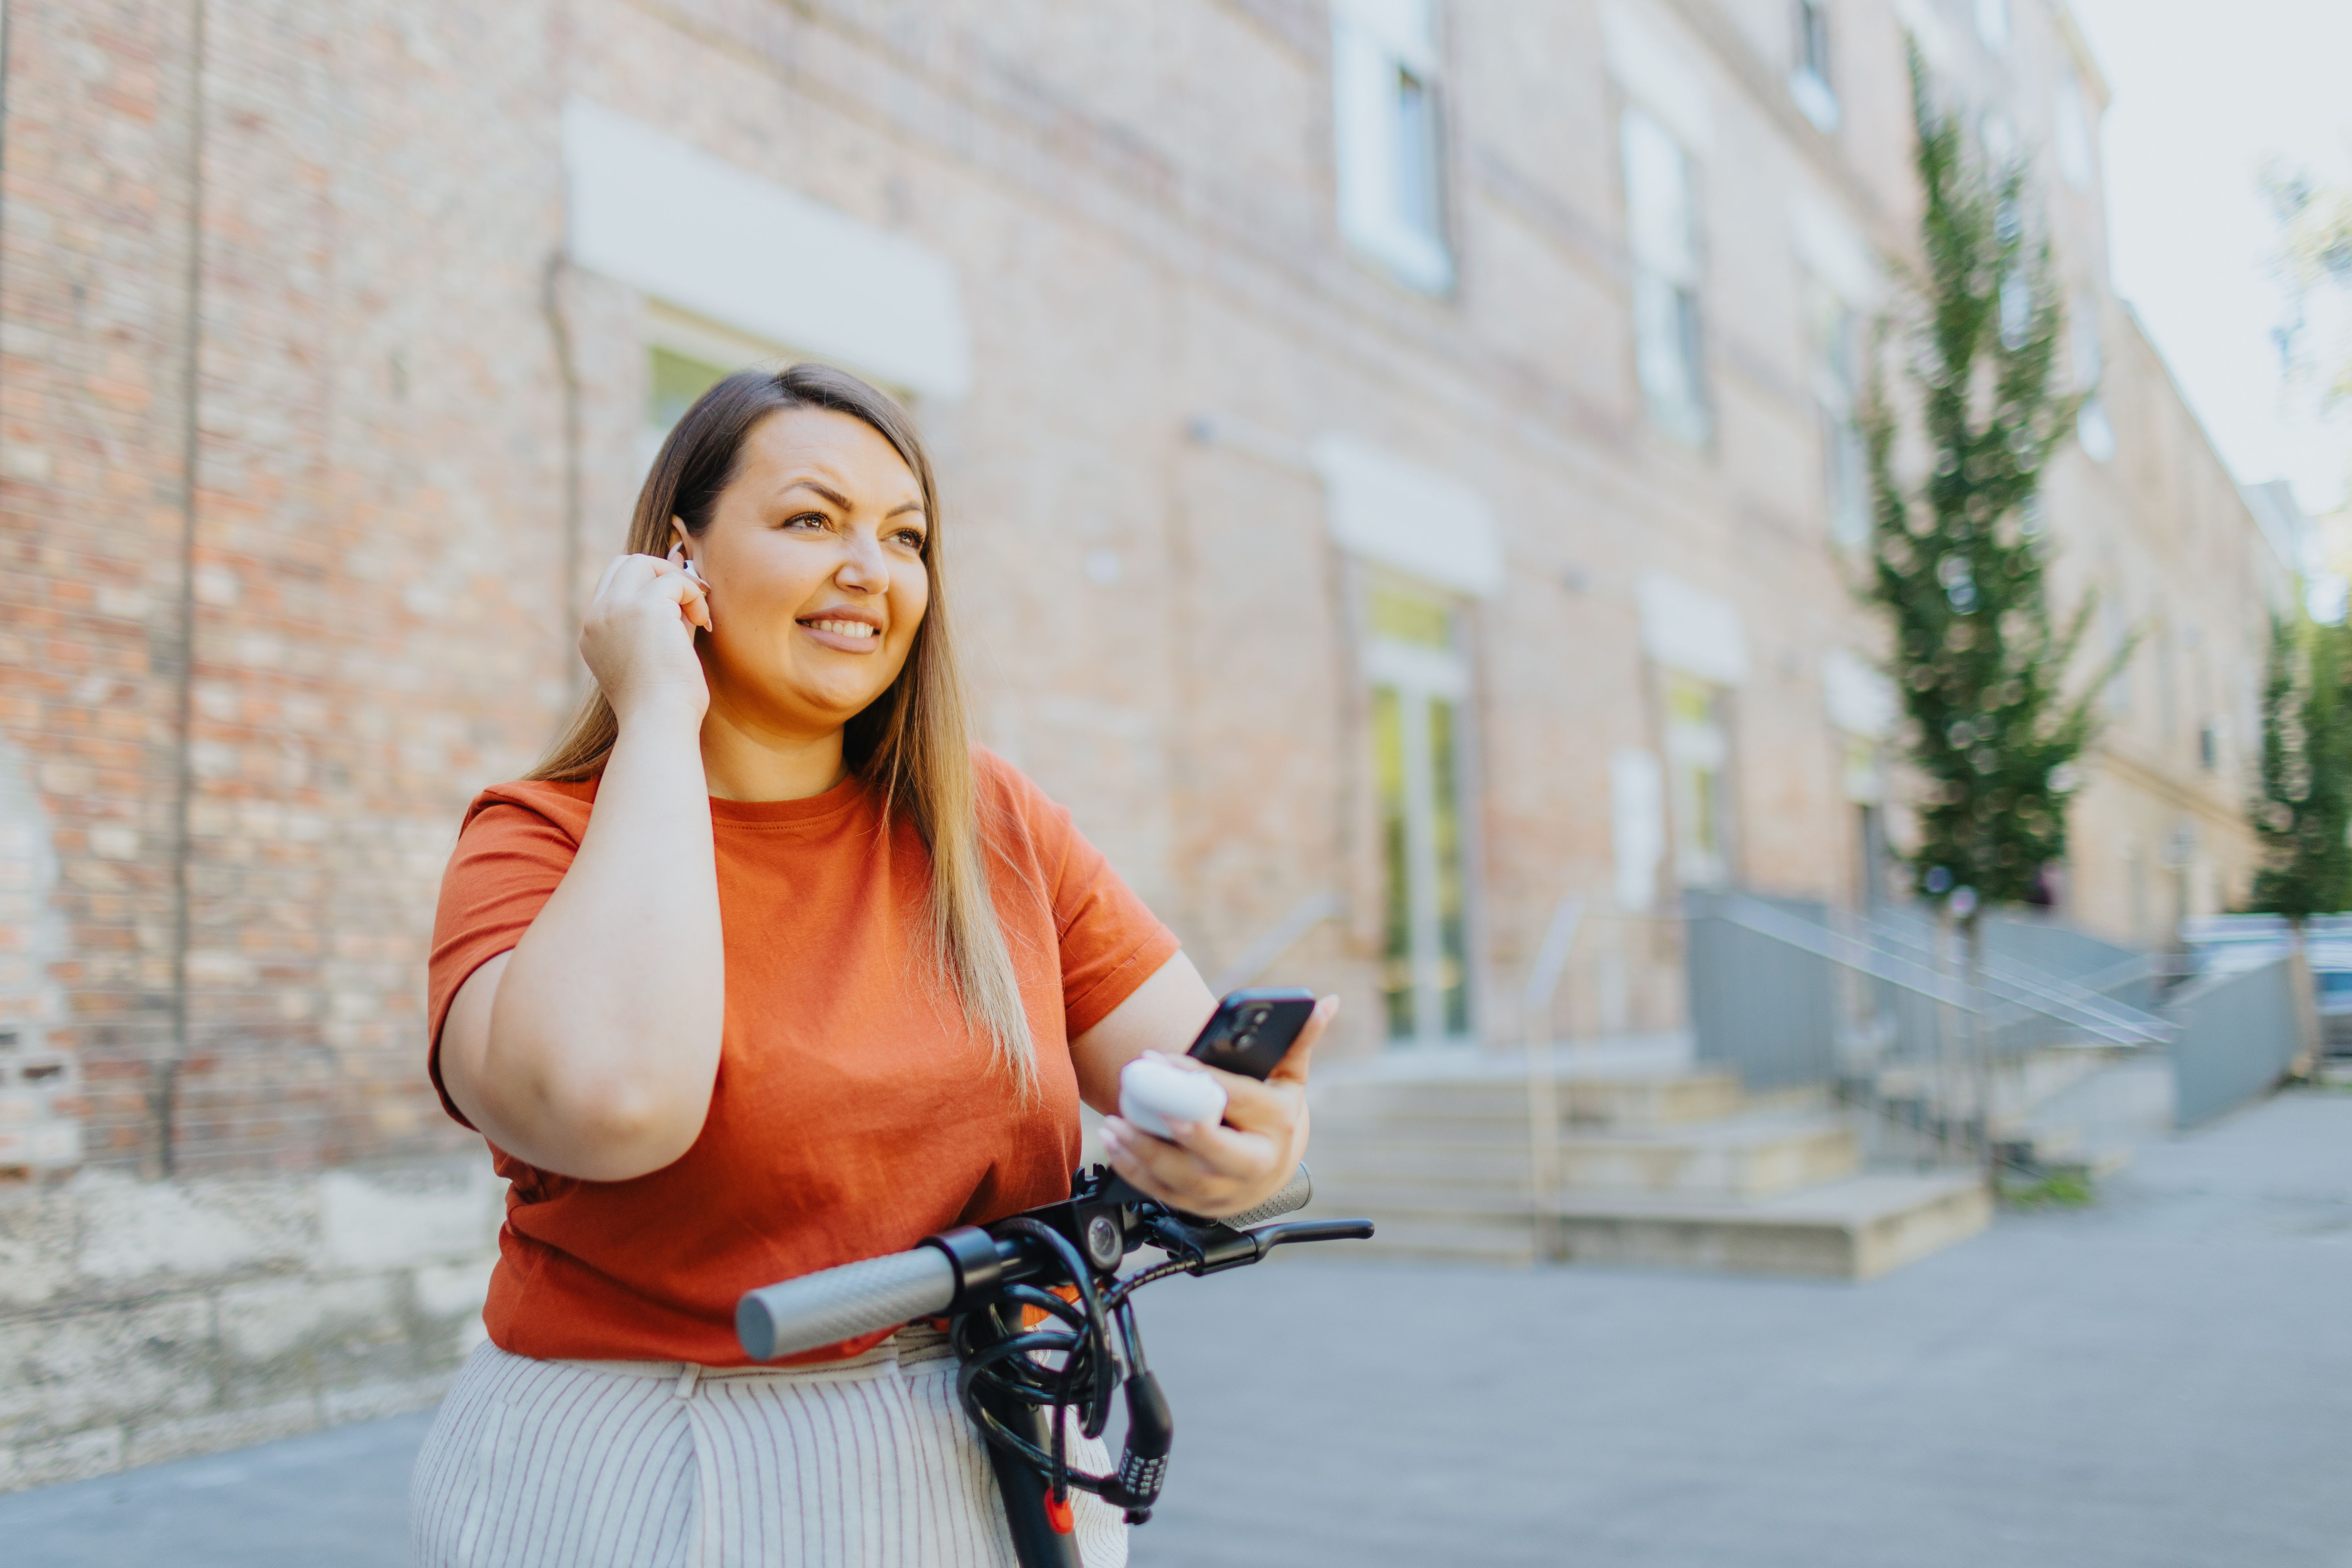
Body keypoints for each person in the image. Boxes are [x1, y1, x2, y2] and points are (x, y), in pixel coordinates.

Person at [409, 363, 1331, 1568]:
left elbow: (1226, 1081)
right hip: (656, 1459)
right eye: (810, 520)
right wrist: (652, 714)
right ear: (676, 559)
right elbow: (610, 1105)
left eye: (906, 536)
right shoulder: (538, 838)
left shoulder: (986, 821)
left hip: (1001, 1444)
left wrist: (1252, 1152)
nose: (870, 570)